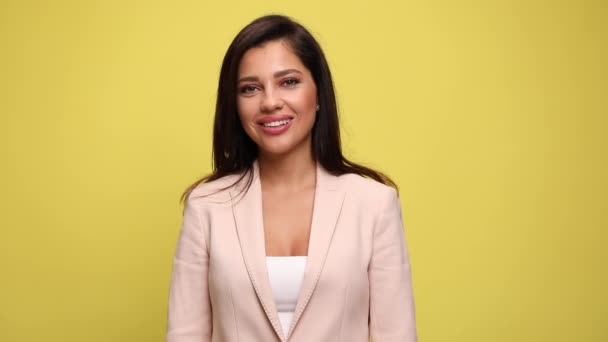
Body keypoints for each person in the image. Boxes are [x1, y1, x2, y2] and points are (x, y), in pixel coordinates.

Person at [166, 14, 417, 342]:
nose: (270, 102)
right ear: (235, 104)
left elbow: (395, 335)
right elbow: (186, 335)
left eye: (288, 82)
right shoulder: (206, 206)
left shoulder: (374, 204)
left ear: (318, 95)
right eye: (250, 88)